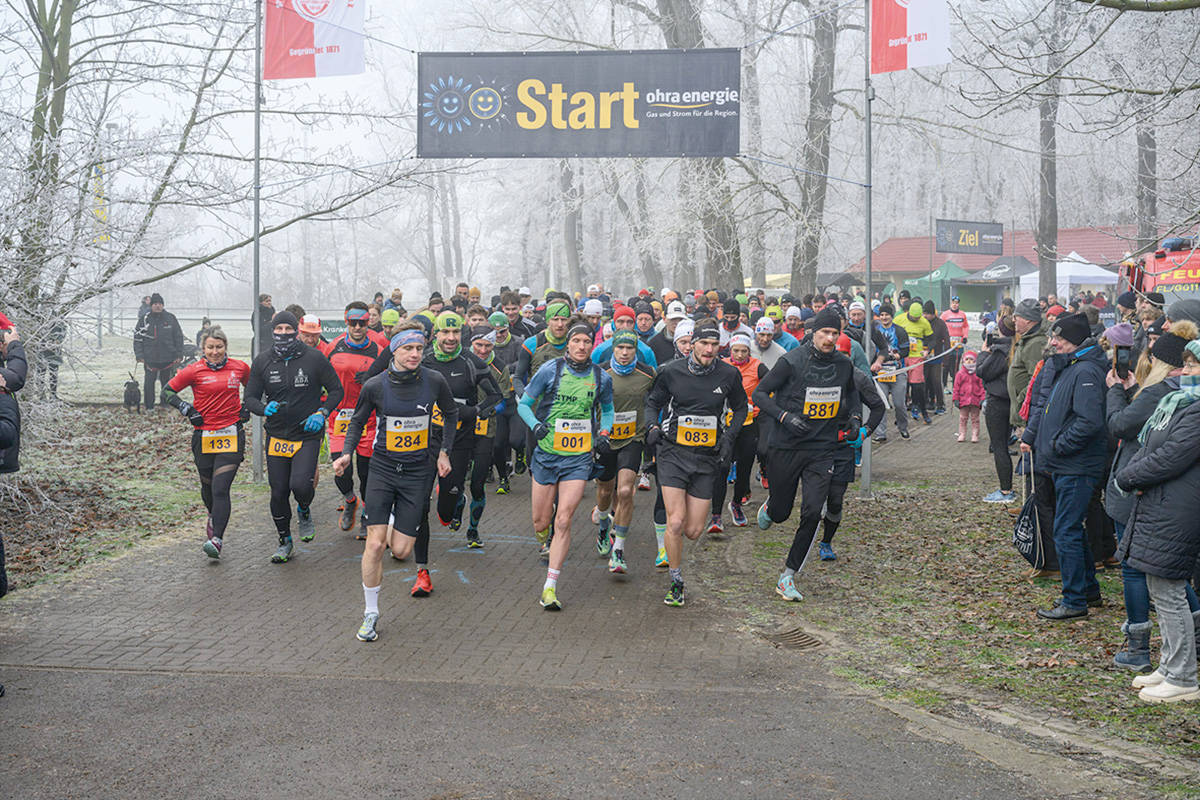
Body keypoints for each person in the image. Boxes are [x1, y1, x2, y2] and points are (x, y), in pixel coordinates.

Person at [335, 323, 455, 642]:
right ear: (395, 350)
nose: (414, 354)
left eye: (419, 349)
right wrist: (347, 453)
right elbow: (358, 420)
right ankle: (370, 614)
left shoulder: (435, 381)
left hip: (417, 472)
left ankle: (388, 518)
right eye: (407, 349)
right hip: (384, 468)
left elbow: (452, 414)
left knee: (401, 550)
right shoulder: (375, 385)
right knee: (375, 545)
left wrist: (443, 452)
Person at [1105, 321, 1200, 673]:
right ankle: (1189, 645)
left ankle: (1141, 648)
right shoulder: (1173, 393)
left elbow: (1121, 426)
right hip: (1154, 492)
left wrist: (1116, 391)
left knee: (1140, 571)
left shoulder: (1162, 392)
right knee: (1164, 575)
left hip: (1140, 490)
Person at [753, 308, 860, 601]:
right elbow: (760, 394)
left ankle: (788, 576)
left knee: (813, 511)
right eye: (825, 333)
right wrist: (785, 417)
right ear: (814, 334)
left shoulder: (843, 365)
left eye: (835, 334)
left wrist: (854, 419)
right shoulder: (791, 361)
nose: (830, 339)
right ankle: (772, 507)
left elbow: (853, 396)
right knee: (782, 512)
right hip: (786, 446)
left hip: (822, 449)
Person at [644, 319, 747, 607]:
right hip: (673, 453)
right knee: (675, 523)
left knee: (693, 530)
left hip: (706, 457)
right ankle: (676, 582)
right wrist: (652, 427)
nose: (709, 349)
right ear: (692, 343)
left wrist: (729, 437)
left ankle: (676, 562)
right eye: (704, 343)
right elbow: (652, 403)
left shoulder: (729, 374)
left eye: (715, 344)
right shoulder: (670, 371)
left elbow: (740, 407)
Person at [518, 317, 614, 610]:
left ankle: (550, 586)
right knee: (542, 521)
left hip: (579, 457)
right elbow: (524, 404)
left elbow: (608, 410)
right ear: (568, 344)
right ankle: (543, 536)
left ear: (592, 344)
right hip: (547, 454)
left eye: (587, 341)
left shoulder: (601, 377)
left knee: (564, 520)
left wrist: (603, 433)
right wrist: (535, 426)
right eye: (576, 341)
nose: (582, 346)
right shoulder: (550, 370)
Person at [1020, 313, 1108, 620]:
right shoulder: (1071, 366)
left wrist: (1058, 445)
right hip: (1067, 463)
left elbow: (1089, 421)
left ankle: (1074, 601)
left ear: (1075, 341)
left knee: (1066, 530)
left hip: (1076, 465)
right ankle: (1088, 591)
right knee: (1072, 528)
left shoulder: (1085, 371)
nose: (1053, 342)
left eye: (1059, 338)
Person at [245, 310, 344, 563]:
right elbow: (250, 398)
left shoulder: (315, 359)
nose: (284, 334)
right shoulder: (262, 361)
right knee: (278, 492)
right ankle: (284, 540)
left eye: (288, 330)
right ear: (272, 332)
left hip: (307, 434)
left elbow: (336, 390)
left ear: (296, 331)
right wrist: (262, 409)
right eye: (279, 330)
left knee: (300, 486)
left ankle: (303, 508)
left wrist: (322, 413)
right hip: (277, 435)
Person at [163, 327, 250, 558]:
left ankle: (217, 539)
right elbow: (167, 392)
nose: (215, 352)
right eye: (210, 347)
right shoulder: (193, 370)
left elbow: (253, 388)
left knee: (221, 488)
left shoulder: (239, 367)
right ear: (203, 348)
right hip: (203, 436)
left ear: (225, 347)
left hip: (232, 434)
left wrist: (247, 406)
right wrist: (187, 409)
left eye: (219, 347)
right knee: (208, 487)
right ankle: (213, 514)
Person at [818, 333, 886, 560]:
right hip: (815, 445)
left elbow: (878, 407)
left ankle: (826, 542)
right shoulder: (816, 374)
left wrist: (865, 431)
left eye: (845, 355)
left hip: (843, 445)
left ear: (851, 356)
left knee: (835, 499)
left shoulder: (858, 378)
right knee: (814, 499)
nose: (839, 360)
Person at [594, 331, 655, 574]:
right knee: (605, 490)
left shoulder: (648, 374)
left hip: (633, 438)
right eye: (621, 348)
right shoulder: (599, 372)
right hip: (605, 440)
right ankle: (602, 523)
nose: (625, 353)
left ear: (636, 350)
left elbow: (659, 398)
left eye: (630, 348)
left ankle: (618, 551)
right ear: (613, 348)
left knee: (625, 490)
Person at [326, 303, 385, 540]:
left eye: (363, 322)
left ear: (368, 322)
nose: (358, 327)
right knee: (341, 468)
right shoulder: (333, 347)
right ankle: (350, 499)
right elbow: (321, 377)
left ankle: (367, 516)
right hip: (339, 418)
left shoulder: (379, 350)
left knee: (367, 474)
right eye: (353, 322)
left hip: (368, 420)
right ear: (346, 321)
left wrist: (373, 378)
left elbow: (389, 377)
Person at [460, 325, 512, 548]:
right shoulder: (461, 361)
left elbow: (502, 401)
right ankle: (456, 503)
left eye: (487, 345)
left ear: (494, 345)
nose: (482, 350)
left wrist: (485, 411)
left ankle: (473, 530)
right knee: (456, 480)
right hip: (459, 429)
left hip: (484, 429)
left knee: (478, 483)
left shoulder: (500, 368)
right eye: (478, 345)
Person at [709, 333, 766, 531]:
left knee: (744, 468)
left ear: (749, 351)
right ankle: (716, 515)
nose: (740, 355)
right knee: (722, 467)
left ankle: (736, 504)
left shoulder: (758, 366)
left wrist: (761, 404)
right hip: (725, 424)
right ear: (730, 351)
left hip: (750, 424)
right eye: (736, 351)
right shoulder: (721, 365)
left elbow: (771, 386)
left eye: (744, 351)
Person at [977, 316, 1015, 503]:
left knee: (999, 447)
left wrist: (983, 353)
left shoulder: (1001, 351)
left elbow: (982, 371)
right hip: (1012, 401)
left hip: (998, 402)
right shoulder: (1018, 347)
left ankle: (1006, 490)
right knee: (1004, 445)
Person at [132, 292, 183, 411]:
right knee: (149, 383)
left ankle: (165, 404)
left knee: (167, 383)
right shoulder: (144, 320)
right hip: (150, 359)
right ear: (151, 305)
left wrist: (179, 354)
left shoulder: (171, 318)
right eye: (155, 304)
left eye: (160, 304)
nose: (158, 306)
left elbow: (178, 337)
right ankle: (149, 406)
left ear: (163, 305)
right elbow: (138, 338)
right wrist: (139, 355)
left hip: (168, 357)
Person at [871, 304, 911, 442]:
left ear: (891, 316)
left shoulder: (899, 331)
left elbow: (906, 352)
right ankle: (880, 433)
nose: (884, 317)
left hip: (897, 371)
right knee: (881, 403)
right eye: (881, 315)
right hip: (880, 372)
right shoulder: (875, 331)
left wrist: (893, 357)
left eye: (886, 314)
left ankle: (903, 427)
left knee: (899, 404)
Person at [895, 301, 933, 425]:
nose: (916, 319)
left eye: (918, 317)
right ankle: (901, 415)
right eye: (913, 317)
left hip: (916, 357)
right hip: (902, 356)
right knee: (902, 386)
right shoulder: (899, 319)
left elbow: (932, 339)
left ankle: (923, 412)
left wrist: (927, 350)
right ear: (908, 313)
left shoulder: (924, 322)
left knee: (918, 386)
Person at [952, 351, 985, 443]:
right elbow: (956, 387)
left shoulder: (978, 373)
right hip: (963, 400)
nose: (969, 361)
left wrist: (983, 398)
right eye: (967, 359)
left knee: (975, 419)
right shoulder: (960, 373)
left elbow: (982, 387)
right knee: (963, 418)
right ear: (963, 361)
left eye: (971, 359)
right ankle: (962, 434)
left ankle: (975, 435)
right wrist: (955, 398)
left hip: (975, 399)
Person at [923, 301, 950, 414]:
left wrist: (946, 360)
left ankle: (940, 404)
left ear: (933, 313)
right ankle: (927, 401)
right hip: (923, 357)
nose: (925, 316)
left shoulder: (940, 324)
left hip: (937, 357)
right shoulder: (922, 322)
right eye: (924, 313)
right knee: (924, 380)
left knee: (936, 380)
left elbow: (947, 342)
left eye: (927, 314)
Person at [940, 296, 969, 387]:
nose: (954, 305)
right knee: (946, 364)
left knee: (955, 365)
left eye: (956, 303)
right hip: (947, 342)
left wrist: (965, 337)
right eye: (953, 303)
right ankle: (944, 385)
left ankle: (955, 385)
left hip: (958, 343)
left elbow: (966, 326)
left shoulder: (962, 314)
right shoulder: (945, 314)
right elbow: (940, 326)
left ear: (959, 304)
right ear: (950, 304)